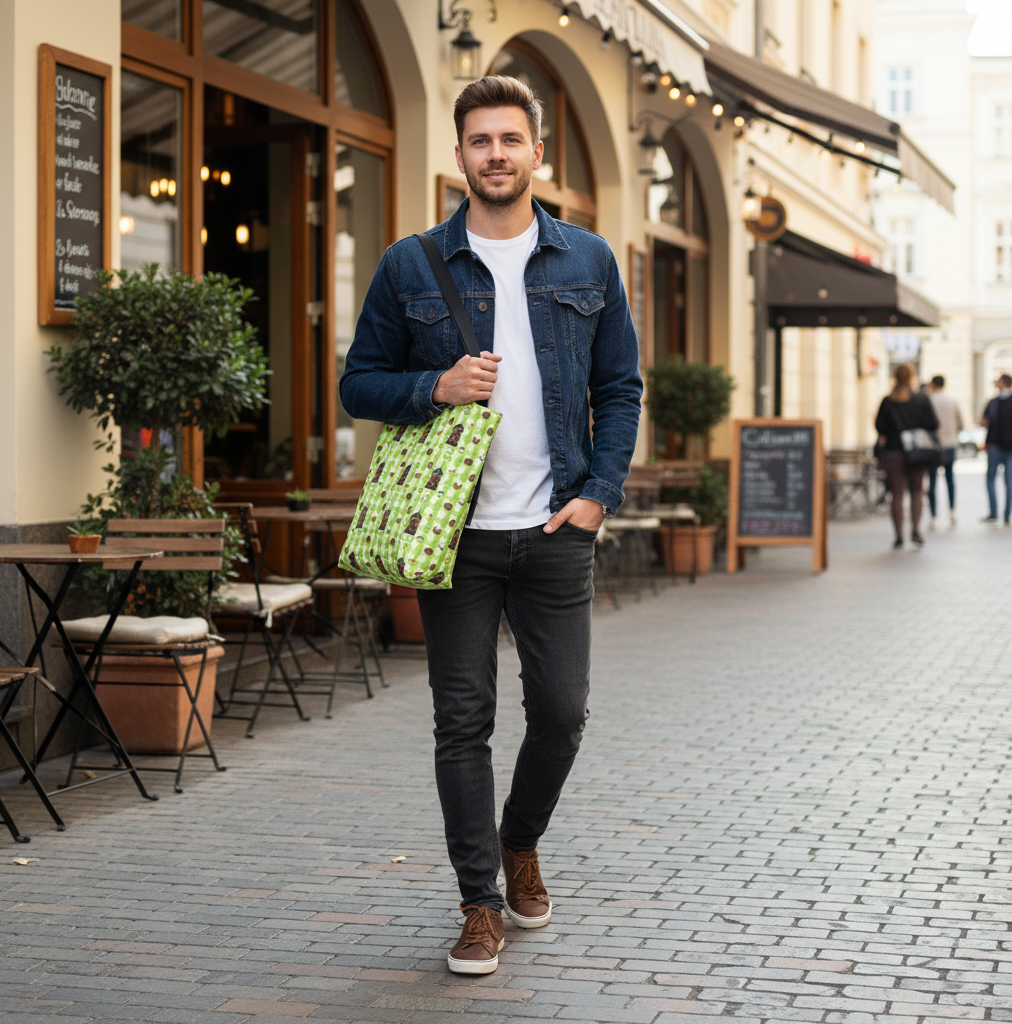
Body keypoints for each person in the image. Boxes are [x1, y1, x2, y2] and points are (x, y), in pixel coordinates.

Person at [339, 76, 643, 974]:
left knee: (561, 715)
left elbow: (618, 386)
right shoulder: (410, 264)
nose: (497, 154)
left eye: (512, 140)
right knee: (459, 721)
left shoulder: (588, 259)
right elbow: (358, 384)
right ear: (461, 154)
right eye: (481, 141)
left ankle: (521, 842)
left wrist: (599, 490)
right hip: (456, 535)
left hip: (556, 528)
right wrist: (432, 386)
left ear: (537, 153)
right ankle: (479, 904)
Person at [874, 363, 940, 548]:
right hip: (917, 453)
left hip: (893, 452)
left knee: (896, 494)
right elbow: (933, 424)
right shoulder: (921, 399)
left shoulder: (887, 401)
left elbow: (879, 427)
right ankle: (916, 530)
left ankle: (898, 535)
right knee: (917, 491)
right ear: (912, 377)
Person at [925, 375, 963, 528]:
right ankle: (952, 512)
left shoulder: (929, 400)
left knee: (932, 481)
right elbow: (961, 424)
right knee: (950, 480)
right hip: (950, 444)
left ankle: (933, 516)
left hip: (933, 445)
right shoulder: (953, 400)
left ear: (933, 384)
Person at [980, 372, 1012, 524]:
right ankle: (994, 512)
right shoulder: (993, 402)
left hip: (1009, 447)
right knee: (991, 479)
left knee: (1009, 481)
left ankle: (1006, 514)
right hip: (994, 445)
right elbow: (985, 420)